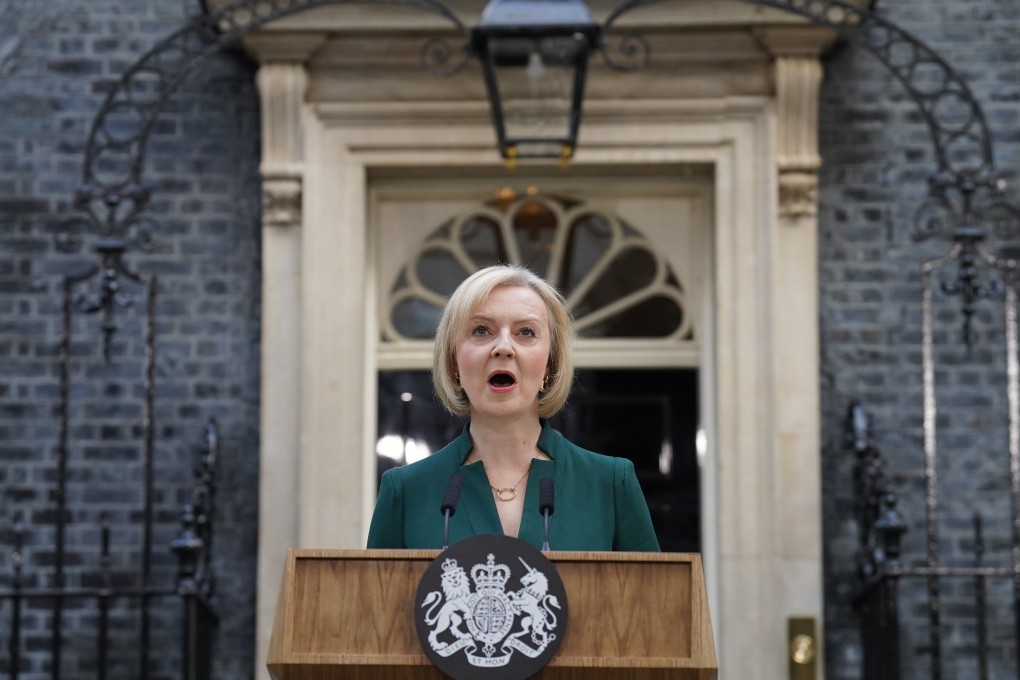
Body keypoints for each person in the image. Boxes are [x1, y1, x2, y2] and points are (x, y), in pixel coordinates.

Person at [367, 264, 660, 552]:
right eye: (481, 330)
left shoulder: (609, 483)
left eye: (526, 332)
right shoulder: (405, 491)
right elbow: (375, 598)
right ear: (454, 361)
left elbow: (655, 598)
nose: (504, 347)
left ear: (550, 363)